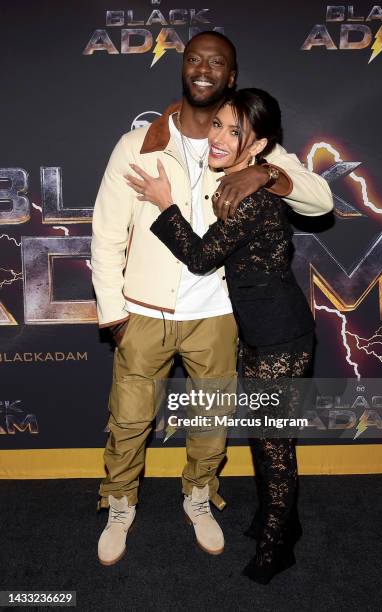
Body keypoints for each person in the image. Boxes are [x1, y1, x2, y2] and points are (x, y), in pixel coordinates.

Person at [91, 31, 333, 567]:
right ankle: (119, 504)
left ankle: (198, 497)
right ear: (183, 67)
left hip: (218, 317)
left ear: (231, 74)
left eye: (216, 62)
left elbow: (321, 200)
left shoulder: (246, 142)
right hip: (145, 313)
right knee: (129, 420)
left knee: (210, 422)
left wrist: (267, 172)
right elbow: (106, 233)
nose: (204, 69)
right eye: (194, 59)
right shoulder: (137, 146)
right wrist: (113, 313)